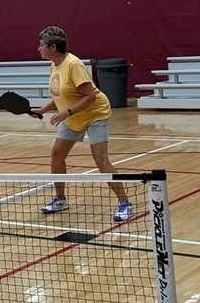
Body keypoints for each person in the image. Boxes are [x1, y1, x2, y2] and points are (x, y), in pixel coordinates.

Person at [32, 26, 132, 222]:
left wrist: (66, 112)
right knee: (56, 156)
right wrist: (42, 110)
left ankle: (125, 203)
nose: (38, 48)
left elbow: (90, 96)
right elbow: (62, 95)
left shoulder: (73, 64)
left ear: (53, 46)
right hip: (72, 117)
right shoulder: (54, 65)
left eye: (42, 45)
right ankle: (60, 199)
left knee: (100, 159)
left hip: (95, 114)